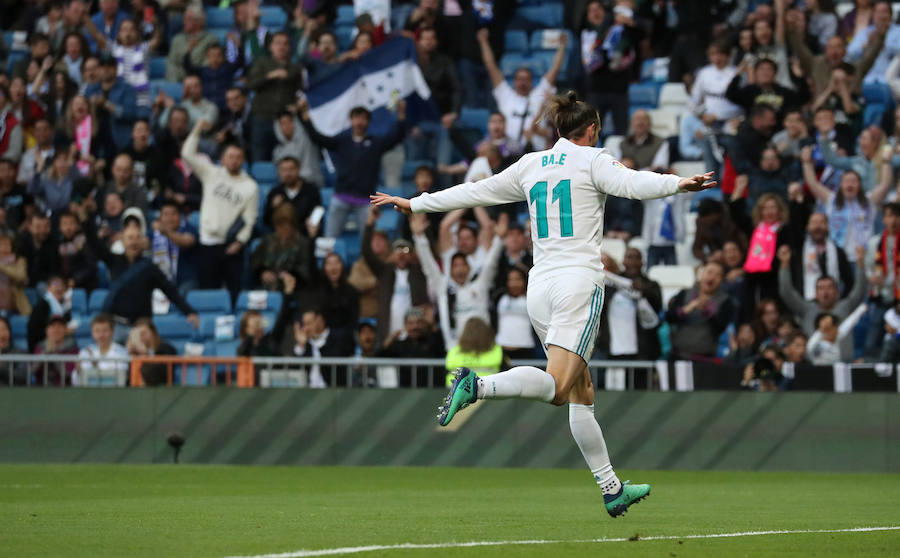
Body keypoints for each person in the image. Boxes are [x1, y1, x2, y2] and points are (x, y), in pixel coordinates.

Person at [371, 91, 717, 517]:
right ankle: (477, 385)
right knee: (557, 387)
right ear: (591, 129)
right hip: (577, 283)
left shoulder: (531, 164)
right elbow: (632, 183)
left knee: (580, 390)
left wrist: (415, 202)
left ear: (557, 130)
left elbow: (476, 190)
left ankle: (611, 488)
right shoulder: (594, 159)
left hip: (540, 287)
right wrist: (677, 183)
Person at [299, 98, 407, 238]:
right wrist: (305, 115)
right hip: (341, 197)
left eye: (363, 119)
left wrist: (401, 113)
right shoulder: (342, 141)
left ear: (368, 122)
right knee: (329, 241)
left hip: (365, 201)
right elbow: (317, 138)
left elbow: (398, 136)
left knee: (367, 241)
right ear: (351, 120)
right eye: (356, 118)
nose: (359, 122)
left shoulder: (376, 143)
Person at [181, 118, 258, 300]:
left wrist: (240, 242)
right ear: (223, 158)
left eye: (238, 157)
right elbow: (187, 154)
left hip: (231, 245)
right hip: (208, 243)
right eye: (230, 157)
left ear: (243, 160)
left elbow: (250, 218)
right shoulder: (211, 173)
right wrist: (197, 129)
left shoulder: (250, 186)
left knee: (234, 292)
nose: (234, 161)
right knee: (209, 291)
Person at [477, 28, 567, 150]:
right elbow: (491, 66)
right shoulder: (506, 95)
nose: (522, 82)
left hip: (537, 154)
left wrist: (562, 46)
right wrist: (483, 42)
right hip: (510, 155)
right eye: (519, 79)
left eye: (526, 79)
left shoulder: (539, 93)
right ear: (514, 81)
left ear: (531, 82)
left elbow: (555, 69)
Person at [777, 244, 870, 361]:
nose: (825, 292)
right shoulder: (807, 309)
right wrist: (784, 265)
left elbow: (860, 290)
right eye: (821, 288)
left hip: (844, 365)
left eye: (829, 287)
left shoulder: (845, 306)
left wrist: (860, 263)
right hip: (813, 367)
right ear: (815, 293)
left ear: (837, 292)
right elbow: (787, 293)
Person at [361, 207, 429, 346]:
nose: (401, 255)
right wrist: (370, 224)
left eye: (405, 250)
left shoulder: (419, 272)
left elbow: (428, 256)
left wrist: (420, 234)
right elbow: (367, 252)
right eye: (398, 250)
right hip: (388, 331)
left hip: (414, 331)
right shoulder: (385, 271)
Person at [665, 262, 736, 360]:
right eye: (709, 272)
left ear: (721, 280)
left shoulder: (726, 301)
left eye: (718, 275)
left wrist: (707, 312)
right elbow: (668, 317)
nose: (712, 278)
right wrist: (686, 309)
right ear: (701, 274)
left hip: (705, 359)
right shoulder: (685, 293)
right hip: (678, 356)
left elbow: (720, 327)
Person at [445, 317, 504, 387]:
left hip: (457, 390)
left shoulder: (454, 351)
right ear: (485, 332)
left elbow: (449, 365)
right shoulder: (496, 349)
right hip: (488, 388)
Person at [77, 313, 129, 386]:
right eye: (97, 331)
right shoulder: (85, 352)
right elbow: (79, 379)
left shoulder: (122, 352)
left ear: (112, 331)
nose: (101, 335)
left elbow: (121, 377)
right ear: (92, 333)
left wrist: (95, 365)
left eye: (105, 330)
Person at [495, 266, 536, 359]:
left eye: (518, 279)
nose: (514, 283)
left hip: (525, 348)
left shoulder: (531, 297)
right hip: (501, 347)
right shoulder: (499, 297)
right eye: (511, 280)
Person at [127, 317, 177, 386]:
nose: (141, 337)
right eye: (138, 334)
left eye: (144, 333)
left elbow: (165, 374)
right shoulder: (135, 351)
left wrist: (145, 354)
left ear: (153, 332)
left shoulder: (166, 349)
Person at [33, 315, 80, 386]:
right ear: (47, 330)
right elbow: (33, 371)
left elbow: (67, 373)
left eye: (60, 326)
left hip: (64, 390)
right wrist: (45, 354)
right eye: (52, 326)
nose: (56, 330)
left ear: (65, 329)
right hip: (41, 389)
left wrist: (53, 354)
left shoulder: (73, 348)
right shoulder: (40, 347)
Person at [0, 232, 30, 316]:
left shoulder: (19, 261)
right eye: (1, 245)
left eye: (7, 244)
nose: (5, 248)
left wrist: (2, 266)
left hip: (14, 302)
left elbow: (21, 277)